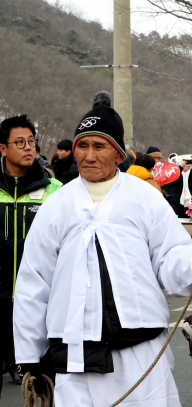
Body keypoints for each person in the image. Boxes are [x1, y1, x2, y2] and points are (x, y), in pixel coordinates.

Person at [12, 91, 192, 406]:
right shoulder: (56, 204)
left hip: (139, 352)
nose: (89, 155)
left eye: (99, 146)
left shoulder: (144, 198)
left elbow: (170, 254)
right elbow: (34, 281)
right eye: (82, 146)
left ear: (118, 154)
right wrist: (31, 354)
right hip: (74, 358)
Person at [0, 115, 61, 396]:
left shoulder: (54, 190)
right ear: (2, 148)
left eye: (31, 142)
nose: (28, 148)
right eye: (20, 142)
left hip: (39, 307)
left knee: (43, 387)